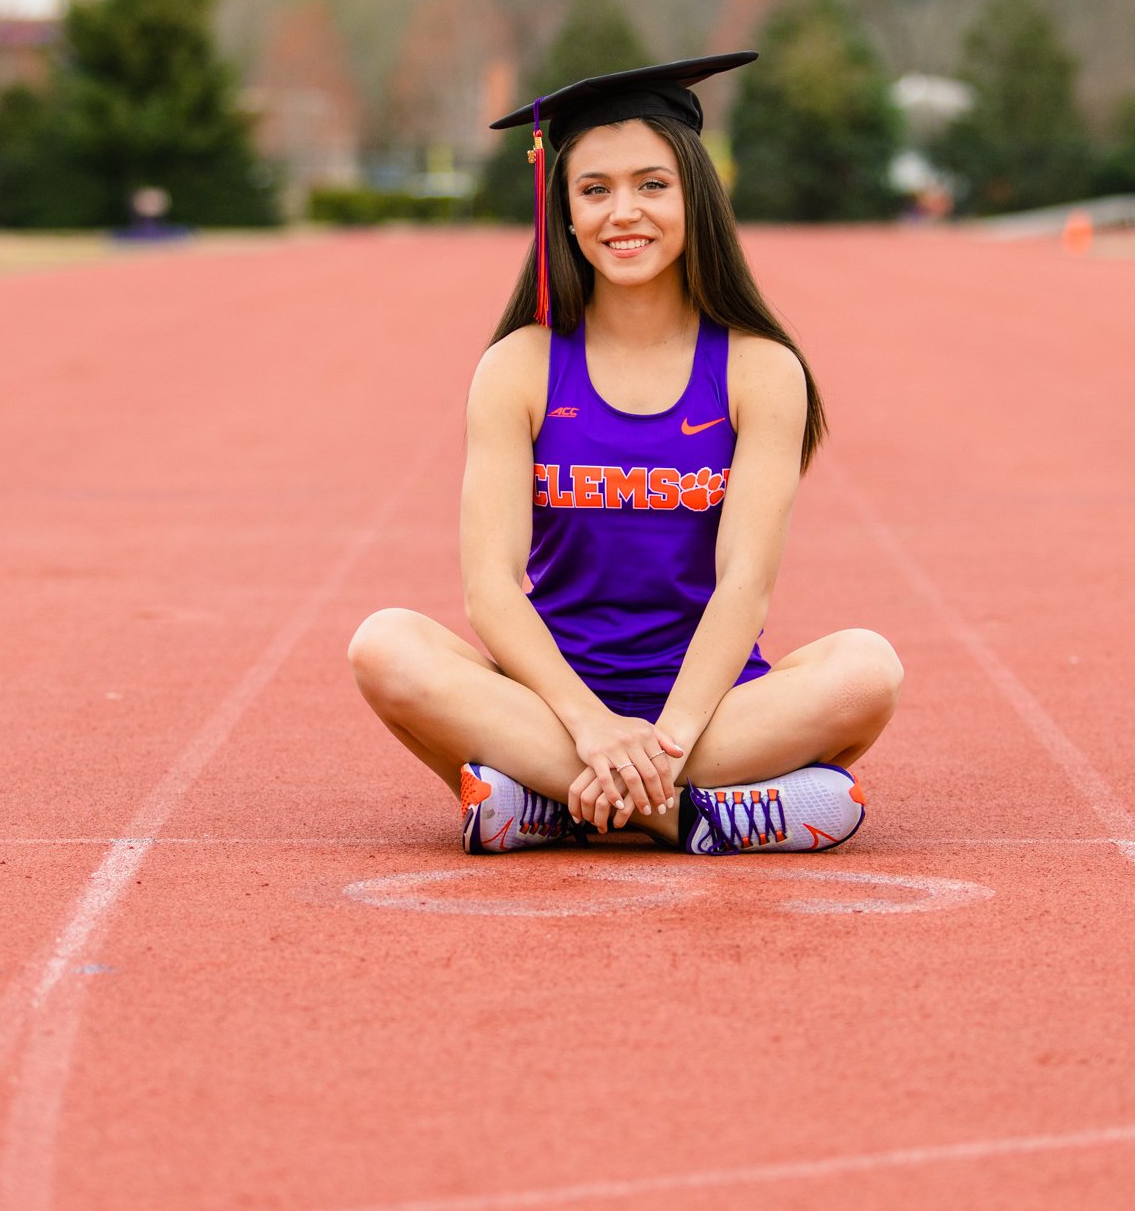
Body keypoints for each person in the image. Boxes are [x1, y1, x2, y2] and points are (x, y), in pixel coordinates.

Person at [347, 54, 902, 855]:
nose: (623, 212)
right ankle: (691, 819)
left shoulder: (759, 369)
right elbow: (490, 591)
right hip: (550, 702)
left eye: (652, 185)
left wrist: (665, 738)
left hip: (709, 710)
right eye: (594, 190)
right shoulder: (520, 366)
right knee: (385, 645)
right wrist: (593, 727)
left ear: (694, 199)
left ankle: (546, 805)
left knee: (867, 671)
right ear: (564, 214)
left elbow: (745, 587)